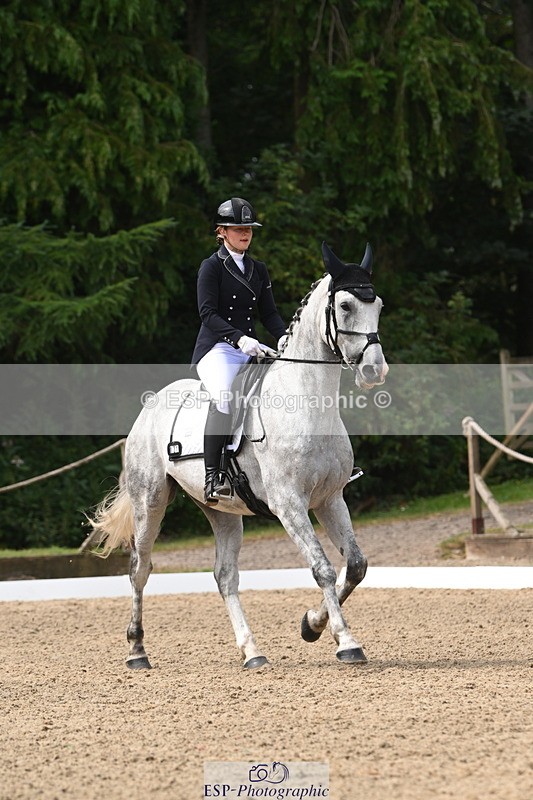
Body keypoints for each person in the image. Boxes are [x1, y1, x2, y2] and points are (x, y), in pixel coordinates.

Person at [191, 197, 288, 504]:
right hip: (217, 348)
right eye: (237, 228)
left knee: (285, 387)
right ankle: (213, 475)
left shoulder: (258, 269)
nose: (245, 233)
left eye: (248, 228)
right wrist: (238, 338)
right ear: (222, 231)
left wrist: (284, 338)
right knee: (223, 396)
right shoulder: (211, 267)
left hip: (250, 346)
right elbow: (207, 313)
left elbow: (269, 313)